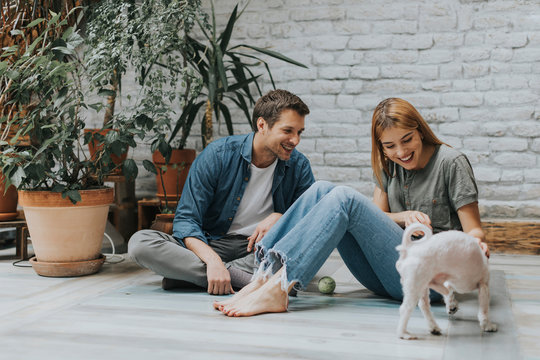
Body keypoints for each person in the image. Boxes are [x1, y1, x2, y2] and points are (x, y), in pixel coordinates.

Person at [214, 97, 489, 317]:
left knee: (344, 198)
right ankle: (263, 276)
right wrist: (404, 217)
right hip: (385, 273)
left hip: (429, 282)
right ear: (381, 147)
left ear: (421, 131)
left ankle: (280, 287)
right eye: (390, 146)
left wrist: (477, 245)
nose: (401, 152)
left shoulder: (452, 162)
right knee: (321, 189)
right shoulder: (388, 164)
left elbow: (473, 230)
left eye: (407, 140)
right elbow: (377, 219)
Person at [128, 89, 314, 295]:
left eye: (299, 132)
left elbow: (310, 223)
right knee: (140, 243)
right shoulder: (218, 155)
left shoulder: (299, 166)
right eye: (288, 131)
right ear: (262, 125)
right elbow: (187, 220)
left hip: (261, 250)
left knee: (302, 254)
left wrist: (281, 217)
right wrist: (213, 260)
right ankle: (245, 278)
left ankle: (192, 276)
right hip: (215, 244)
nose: (295, 140)